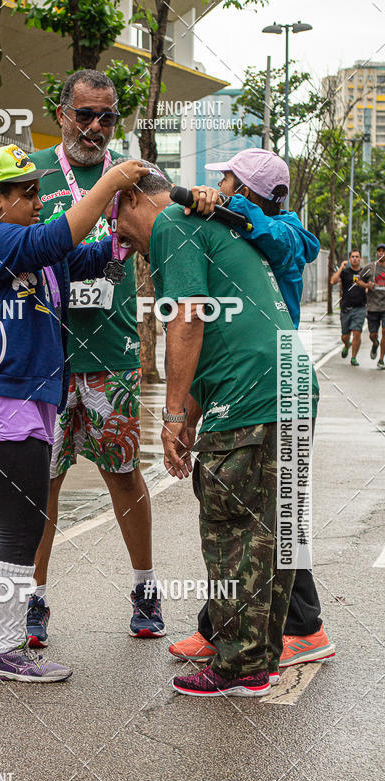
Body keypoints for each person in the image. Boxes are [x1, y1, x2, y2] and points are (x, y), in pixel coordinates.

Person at [0, 143, 148, 682]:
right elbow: (56, 238)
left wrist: (122, 236)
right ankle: (6, 650)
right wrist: (109, 182)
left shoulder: (28, 249)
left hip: (15, 402)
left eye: (39, 192)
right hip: (3, 402)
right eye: (27, 193)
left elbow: (81, 255)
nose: (39, 202)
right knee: (24, 527)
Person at [108, 161, 319, 697]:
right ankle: (259, 661)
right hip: (290, 387)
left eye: (117, 222)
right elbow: (216, 340)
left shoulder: (172, 225)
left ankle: (238, 666)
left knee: (230, 531)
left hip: (252, 395)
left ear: (134, 199)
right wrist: (189, 420)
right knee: (269, 533)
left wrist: (172, 416)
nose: (119, 239)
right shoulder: (211, 224)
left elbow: (187, 320)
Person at [167, 148, 335, 669]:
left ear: (246, 192)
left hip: (275, 381)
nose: (218, 186)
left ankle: (304, 627)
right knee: (263, 517)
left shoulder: (282, 232)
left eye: (227, 181)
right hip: (260, 378)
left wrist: (230, 208)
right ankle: (218, 626)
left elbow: (287, 238)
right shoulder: (244, 227)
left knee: (271, 517)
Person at [26, 70, 163, 644]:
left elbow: (168, 236)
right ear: (62, 114)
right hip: (46, 359)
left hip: (113, 354)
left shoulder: (136, 176)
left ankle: (146, 589)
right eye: (84, 114)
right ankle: (33, 599)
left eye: (107, 116)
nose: (95, 127)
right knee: (42, 484)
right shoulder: (32, 173)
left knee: (124, 475)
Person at [331, 249, 368, 366]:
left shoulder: (364, 272)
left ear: (360, 259)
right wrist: (341, 267)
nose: (355, 259)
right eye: (353, 257)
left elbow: (369, 286)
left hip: (360, 308)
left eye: (357, 257)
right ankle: (347, 345)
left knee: (357, 332)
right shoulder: (345, 272)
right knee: (345, 336)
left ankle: (353, 357)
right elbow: (333, 281)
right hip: (346, 308)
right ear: (349, 259)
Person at [361, 242, 385, 369]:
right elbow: (357, 279)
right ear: (376, 253)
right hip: (372, 307)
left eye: (383, 251)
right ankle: (375, 344)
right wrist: (367, 285)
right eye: (379, 251)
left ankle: (381, 359)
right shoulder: (370, 267)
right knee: (373, 334)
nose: (381, 253)